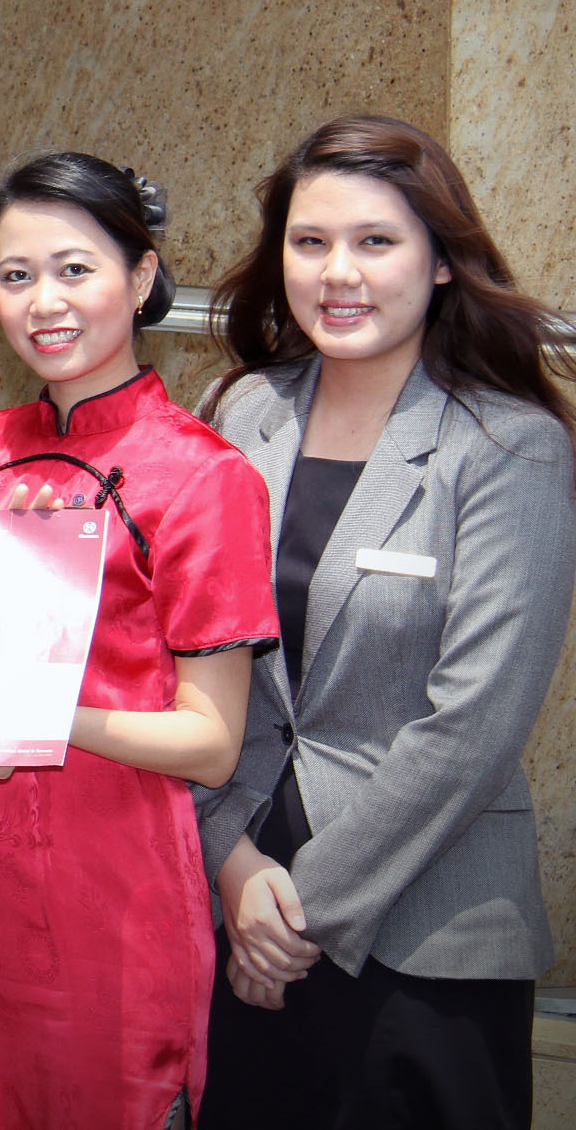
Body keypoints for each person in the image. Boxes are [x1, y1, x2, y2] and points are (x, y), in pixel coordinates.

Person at [196, 116, 574, 1130]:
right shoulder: (240, 412)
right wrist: (231, 865)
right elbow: (182, 661)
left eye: (375, 241)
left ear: (442, 261)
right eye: (310, 242)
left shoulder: (506, 446)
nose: (338, 273)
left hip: (424, 930)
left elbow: (475, 724)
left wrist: (300, 910)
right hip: (236, 899)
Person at [0, 153, 276, 1130]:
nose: (43, 302)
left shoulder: (204, 477)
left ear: (141, 278)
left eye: (75, 269)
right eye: (15, 275)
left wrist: (40, 711)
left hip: (115, 893)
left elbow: (211, 743)